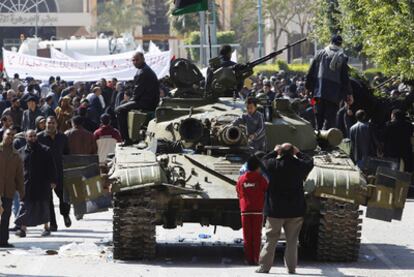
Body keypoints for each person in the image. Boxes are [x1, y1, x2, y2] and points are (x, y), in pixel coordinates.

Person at [256, 143, 314, 274]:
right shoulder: (300, 166)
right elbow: (310, 161)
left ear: (280, 152)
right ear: (292, 152)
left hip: (275, 210)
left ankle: (264, 267)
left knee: (271, 239)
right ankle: (291, 268)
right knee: (292, 241)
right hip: (295, 210)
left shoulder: (272, 165)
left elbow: (261, 161)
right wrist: (298, 153)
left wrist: (274, 152)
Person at [15, 130, 57, 238]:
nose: (33, 138)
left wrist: (53, 181)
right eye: (30, 136)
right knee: (25, 206)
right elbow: (18, 170)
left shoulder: (45, 150)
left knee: (43, 206)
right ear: (26, 137)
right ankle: (23, 229)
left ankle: (46, 228)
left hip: (42, 183)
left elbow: (51, 167)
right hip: (27, 184)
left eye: (34, 136)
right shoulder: (20, 152)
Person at [305, 35, 352, 130]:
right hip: (334, 97)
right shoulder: (342, 57)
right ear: (340, 44)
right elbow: (345, 79)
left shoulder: (319, 54)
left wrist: (307, 88)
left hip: (317, 95)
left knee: (318, 119)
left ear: (331, 42)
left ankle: (318, 140)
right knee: (330, 121)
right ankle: (328, 142)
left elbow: (310, 73)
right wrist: (349, 94)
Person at [115, 52, 160, 145]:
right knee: (124, 106)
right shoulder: (144, 70)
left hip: (146, 102)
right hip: (147, 101)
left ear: (143, 59)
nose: (135, 62)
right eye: (133, 60)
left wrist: (128, 102)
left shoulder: (143, 72)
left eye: (137, 60)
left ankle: (126, 139)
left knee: (119, 110)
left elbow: (137, 94)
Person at [37, 116, 71, 231]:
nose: (50, 125)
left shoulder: (63, 137)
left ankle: (65, 214)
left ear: (56, 124)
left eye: (53, 123)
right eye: (49, 123)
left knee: (64, 197)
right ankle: (53, 224)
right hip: (45, 174)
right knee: (48, 200)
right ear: (45, 124)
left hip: (60, 173)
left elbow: (67, 154)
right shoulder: (39, 138)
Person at [236, 155, 268, 265]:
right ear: (258, 167)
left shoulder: (241, 179)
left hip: (245, 210)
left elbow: (238, 191)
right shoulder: (260, 178)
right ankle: (256, 258)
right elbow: (266, 189)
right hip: (257, 210)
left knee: (247, 236)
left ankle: (249, 259)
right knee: (256, 236)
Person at [0, 128, 24, 248]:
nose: (10, 137)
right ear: (3, 135)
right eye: (8, 134)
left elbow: (19, 175)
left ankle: (3, 241)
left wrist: (22, 192)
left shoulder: (16, 155)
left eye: (12, 136)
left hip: (8, 191)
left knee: (5, 216)